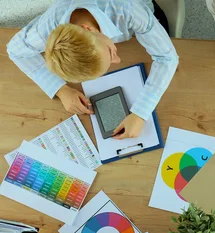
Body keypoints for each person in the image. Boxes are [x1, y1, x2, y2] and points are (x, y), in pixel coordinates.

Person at [6, 0, 179, 139]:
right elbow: (14, 50)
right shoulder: (45, 29)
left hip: (144, 16)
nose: (117, 60)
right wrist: (60, 89)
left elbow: (168, 57)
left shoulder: (129, 9)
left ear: (88, 30)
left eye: (111, 52)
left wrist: (141, 112)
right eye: (111, 53)